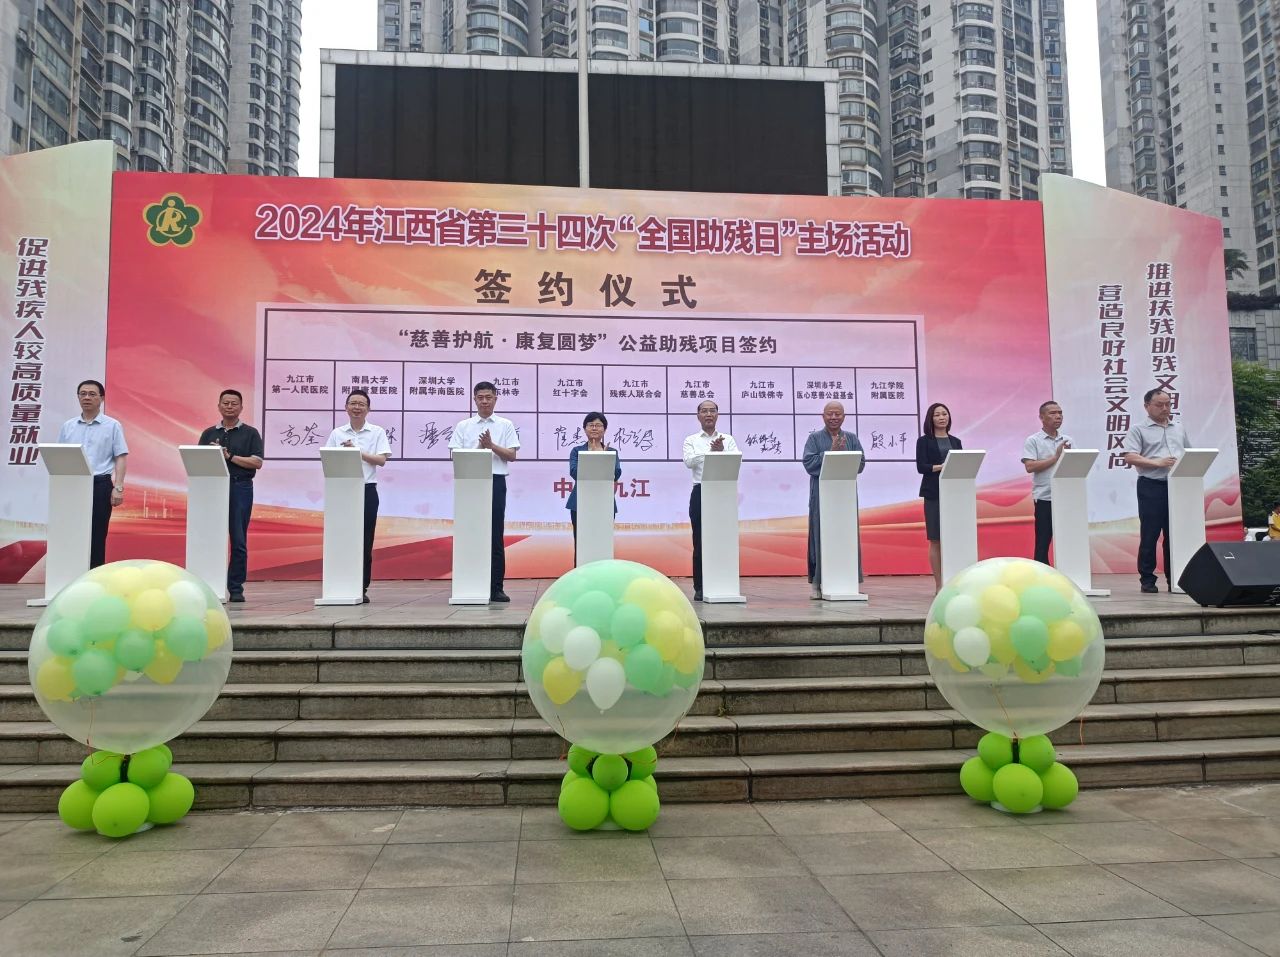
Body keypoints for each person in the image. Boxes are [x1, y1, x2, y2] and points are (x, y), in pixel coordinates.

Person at [449, 381, 519, 602]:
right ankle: (469, 584)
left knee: (495, 534)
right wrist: (480, 448)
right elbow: (455, 456)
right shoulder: (464, 426)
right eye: (480, 397)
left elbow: (512, 455)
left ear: (496, 398)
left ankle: (496, 587)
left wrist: (491, 446)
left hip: (495, 481)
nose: (485, 401)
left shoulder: (505, 424)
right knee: (469, 532)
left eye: (489, 397)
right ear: (474, 399)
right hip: (470, 483)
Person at [324, 389, 390, 603]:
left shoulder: (377, 432)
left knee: (364, 540)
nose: (357, 407)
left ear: (368, 409)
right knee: (341, 537)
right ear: (346, 407)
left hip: (366, 490)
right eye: (353, 403)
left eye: (361, 404)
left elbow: (381, 460)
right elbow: (329, 459)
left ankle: (361, 586)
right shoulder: (337, 433)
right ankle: (339, 584)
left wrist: (357, 452)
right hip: (342, 491)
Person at [198, 389, 264, 603]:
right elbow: (199, 459)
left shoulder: (250, 433)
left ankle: (235, 587)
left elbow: (257, 462)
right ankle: (209, 584)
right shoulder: (208, 433)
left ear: (241, 407)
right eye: (225, 403)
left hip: (240, 487)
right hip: (213, 489)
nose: (229, 406)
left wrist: (229, 456)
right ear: (218, 406)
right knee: (210, 537)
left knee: (238, 539)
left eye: (234, 403)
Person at [1123, 388, 1190, 593]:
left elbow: (1189, 453)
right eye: (1159, 405)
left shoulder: (1178, 428)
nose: (1165, 408)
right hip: (1151, 485)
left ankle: (1175, 578)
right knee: (1150, 534)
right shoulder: (1138, 429)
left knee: (1174, 534)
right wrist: (1157, 462)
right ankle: (1147, 579)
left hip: (1178, 486)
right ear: (1147, 406)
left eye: (1168, 404)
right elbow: (1130, 456)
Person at [57, 380, 128, 569]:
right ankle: (70, 572)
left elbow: (121, 457)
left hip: (100, 485)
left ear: (101, 398)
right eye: (83, 394)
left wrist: (118, 487)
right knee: (71, 530)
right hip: (73, 485)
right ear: (78, 397)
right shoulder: (68, 426)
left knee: (97, 533)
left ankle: (94, 575)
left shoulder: (112, 426)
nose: (86, 397)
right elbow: (60, 455)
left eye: (92, 394)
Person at [802, 401, 866, 599]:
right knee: (820, 535)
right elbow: (808, 463)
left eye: (838, 414)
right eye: (830, 414)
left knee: (847, 535)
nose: (834, 417)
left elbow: (860, 464)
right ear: (823, 416)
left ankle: (848, 581)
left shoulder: (851, 438)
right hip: (821, 496)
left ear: (844, 417)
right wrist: (830, 453)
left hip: (845, 497)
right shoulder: (814, 438)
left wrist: (842, 455)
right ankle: (817, 583)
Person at [682, 400, 738, 602]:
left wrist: (721, 452)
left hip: (723, 493)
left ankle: (724, 583)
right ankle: (700, 586)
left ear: (717, 415)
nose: (708, 414)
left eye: (712, 411)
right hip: (701, 491)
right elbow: (689, 461)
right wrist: (710, 453)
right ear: (698, 416)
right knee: (700, 541)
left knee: (724, 538)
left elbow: (736, 460)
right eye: (704, 411)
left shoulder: (728, 440)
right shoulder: (691, 440)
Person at [915, 402, 962, 591]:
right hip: (933, 493)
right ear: (931, 419)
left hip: (954, 494)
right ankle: (939, 584)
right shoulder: (924, 441)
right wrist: (942, 467)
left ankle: (954, 581)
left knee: (953, 537)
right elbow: (921, 467)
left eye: (944, 414)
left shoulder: (956, 441)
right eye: (937, 415)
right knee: (935, 539)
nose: (942, 417)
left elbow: (961, 464)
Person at [565, 411, 622, 564]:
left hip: (604, 503)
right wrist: (592, 456)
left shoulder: (611, 452)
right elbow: (574, 472)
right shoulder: (577, 451)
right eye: (591, 425)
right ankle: (580, 573)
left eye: (598, 425)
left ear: (605, 429)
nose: (595, 428)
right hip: (579, 504)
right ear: (585, 429)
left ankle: (603, 572)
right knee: (581, 542)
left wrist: (603, 457)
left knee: (603, 540)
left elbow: (616, 473)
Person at [1021, 400, 1072, 565]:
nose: (1058, 416)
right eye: (1053, 413)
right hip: (1045, 497)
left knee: (1068, 537)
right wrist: (1056, 458)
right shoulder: (1033, 440)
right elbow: (1030, 466)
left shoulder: (1068, 440)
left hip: (1066, 496)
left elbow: (1074, 464)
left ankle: (1067, 570)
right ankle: (1041, 572)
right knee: (1043, 540)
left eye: (1060, 413)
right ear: (1042, 417)